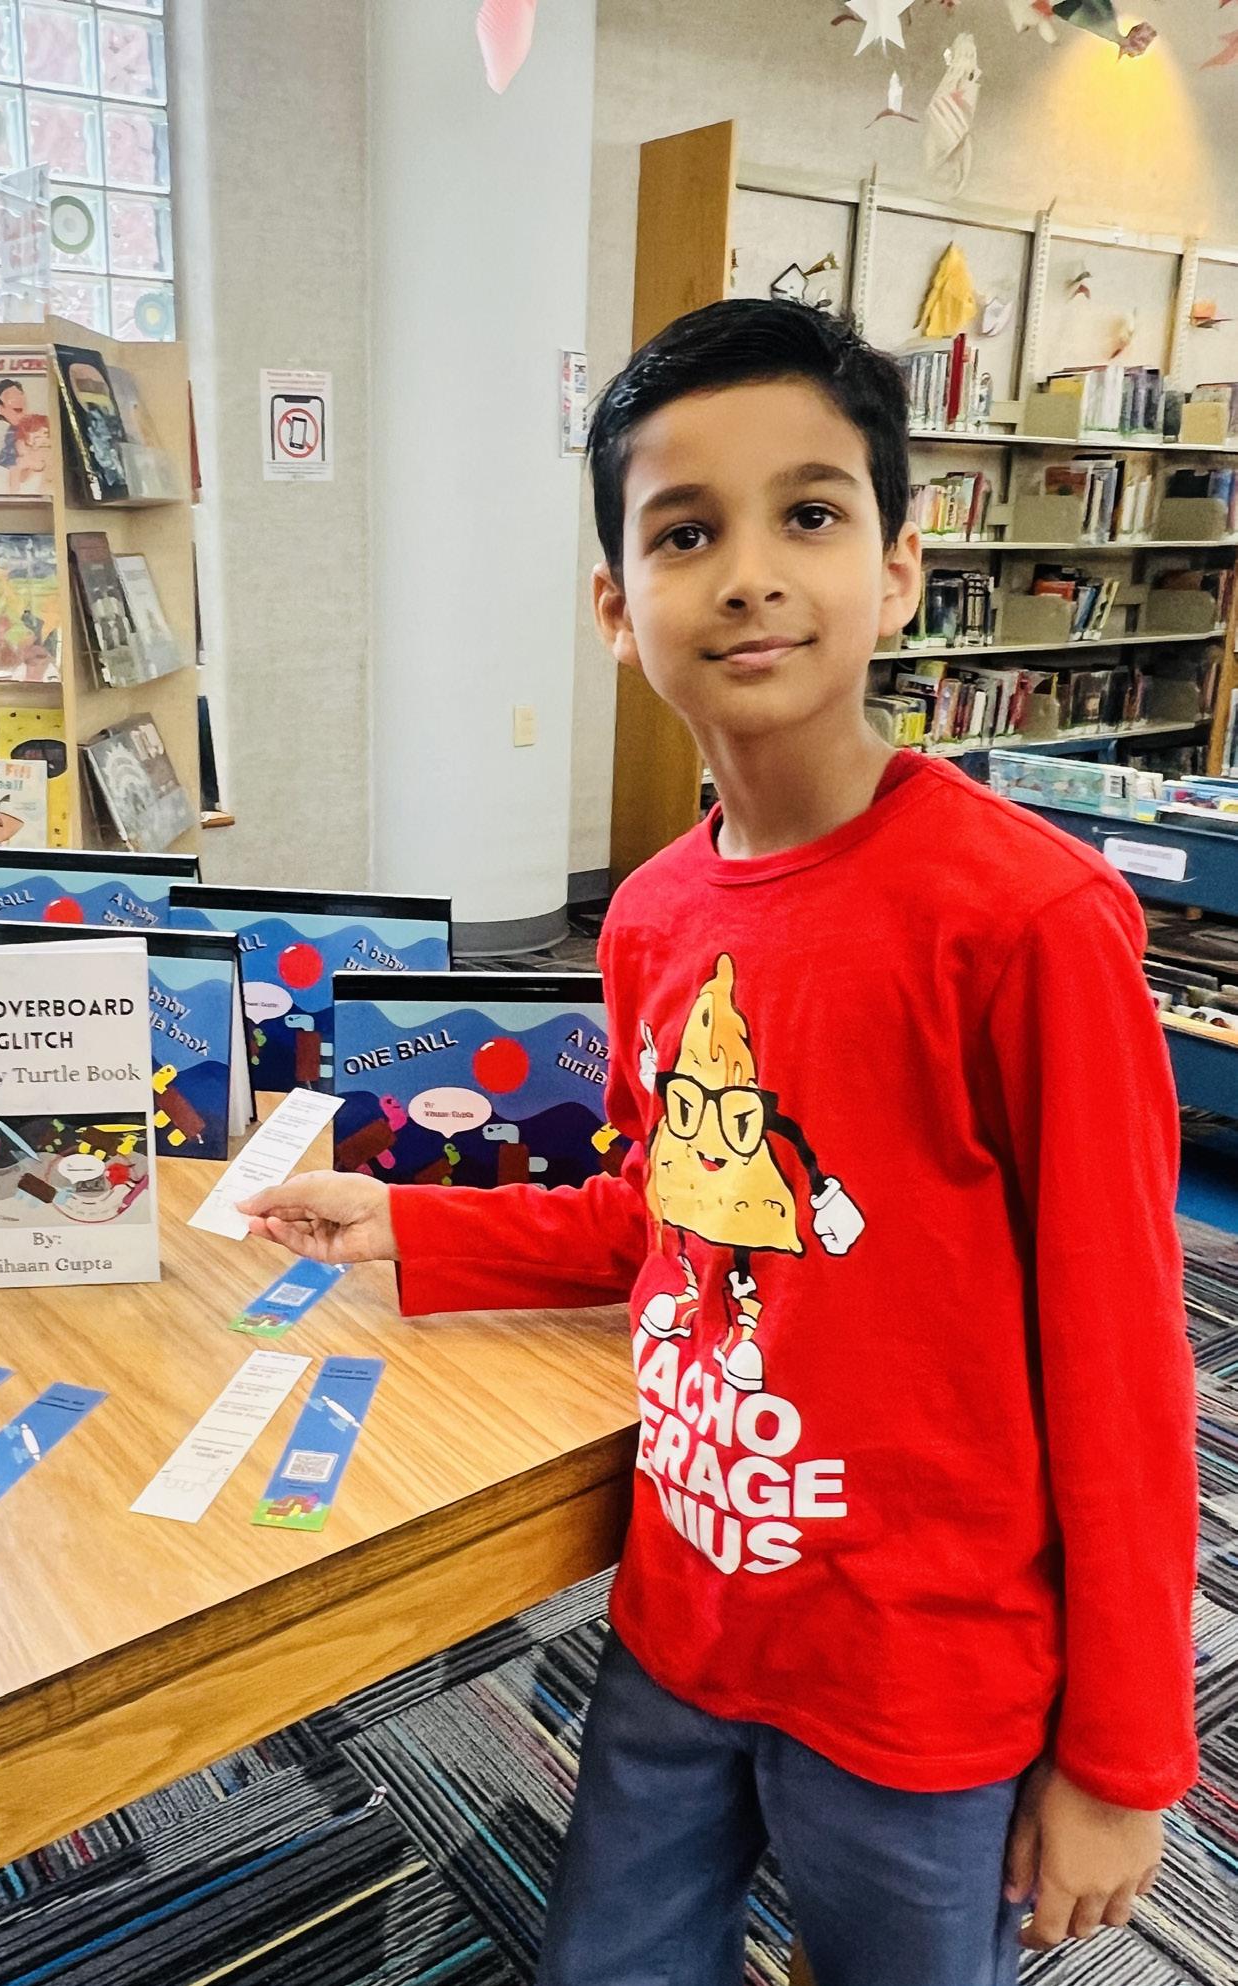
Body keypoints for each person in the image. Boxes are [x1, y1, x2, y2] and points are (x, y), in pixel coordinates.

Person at [238, 298, 1198, 1986]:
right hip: (685, 1615)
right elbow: (665, 1211)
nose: (749, 574)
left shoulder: (1028, 922)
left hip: (919, 1677)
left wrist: (1124, 1756)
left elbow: (1123, 1362)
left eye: (808, 514)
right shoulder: (655, 916)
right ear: (618, 606)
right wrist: (415, 1224)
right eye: (686, 532)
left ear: (898, 568)